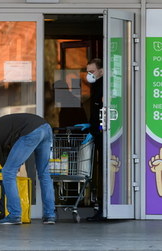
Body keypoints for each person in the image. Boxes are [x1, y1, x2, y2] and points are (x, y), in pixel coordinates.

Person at [75, 58, 105, 221]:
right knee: (100, 170)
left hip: (102, 133)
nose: (89, 75)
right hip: (97, 131)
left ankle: (104, 207)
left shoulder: (105, 86)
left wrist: (97, 128)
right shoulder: (96, 86)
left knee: (104, 171)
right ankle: (101, 206)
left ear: (101, 71)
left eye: (92, 72)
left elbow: (104, 111)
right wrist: (92, 126)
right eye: (88, 71)